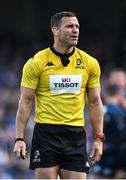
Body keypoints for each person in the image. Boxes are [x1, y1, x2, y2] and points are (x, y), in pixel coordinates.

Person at [13, 11, 104, 179]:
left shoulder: (90, 63)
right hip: (46, 134)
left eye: (77, 26)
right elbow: (25, 101)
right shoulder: (36, 62)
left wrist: (99, 138)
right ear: (55, 30)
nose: (75, 30)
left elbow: (94, 102)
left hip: (75, 135)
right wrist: (19, 138)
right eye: (69, 26)